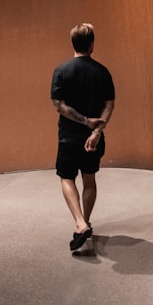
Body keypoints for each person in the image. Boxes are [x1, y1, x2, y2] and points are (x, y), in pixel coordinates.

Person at [50, 23, 115, 252]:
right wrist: (96, 131)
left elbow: (59, 105)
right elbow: (109, 104)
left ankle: (80, 223)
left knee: (67, 178)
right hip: (93, 140)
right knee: (89, 179)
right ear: (92, 44)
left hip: (68, 138)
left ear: (72, 44)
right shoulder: (102, 71)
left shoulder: (61, 70)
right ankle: (86, 222)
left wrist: (85, 122)